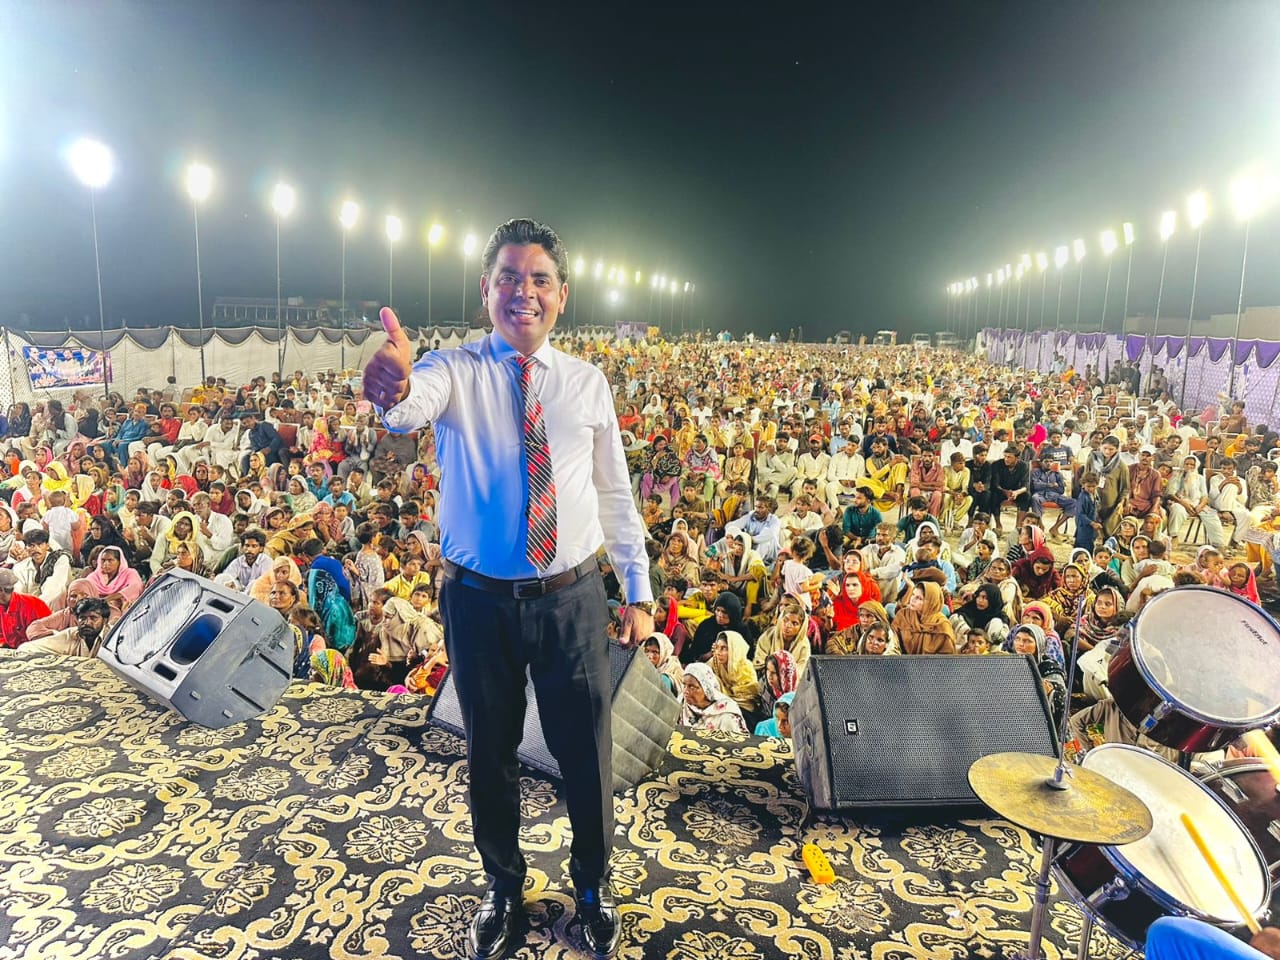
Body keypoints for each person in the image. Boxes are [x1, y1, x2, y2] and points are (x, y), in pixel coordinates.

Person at [362, 219, 652, 960]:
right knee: (489, 752)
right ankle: (502, 885)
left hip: (571, 599)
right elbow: (408, 405)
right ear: (486, 290)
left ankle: (593, 886)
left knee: (585, 753)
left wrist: (638, 589)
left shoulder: (587, 383)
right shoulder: (451, 369)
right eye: (510, 278)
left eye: (540, 279)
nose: (525, 292)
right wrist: (392, 387)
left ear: (562, 295)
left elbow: (615, 494)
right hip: (479, 601)